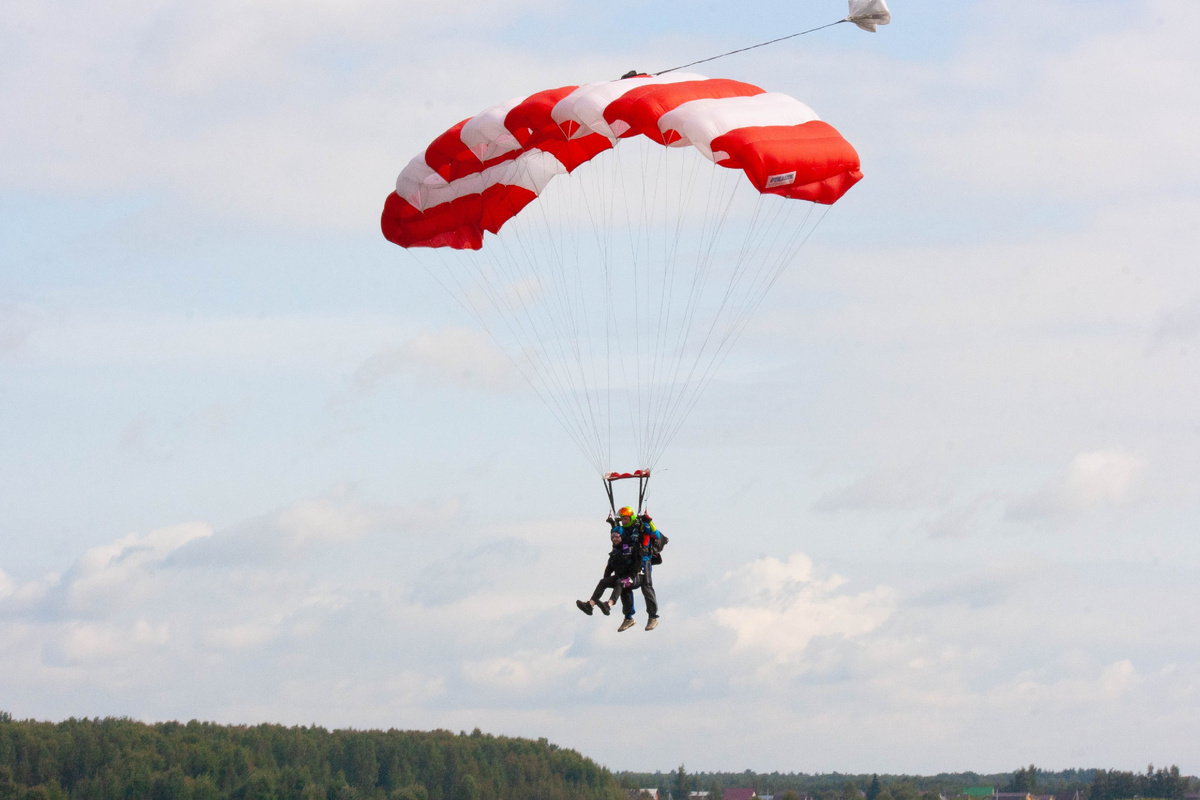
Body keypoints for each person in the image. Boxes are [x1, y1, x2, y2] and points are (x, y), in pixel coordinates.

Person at [614, 506, 663, 632]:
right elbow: (617, 540)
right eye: (622, 519)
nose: (624, 521)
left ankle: (652, 617)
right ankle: (628, 617)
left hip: (644, 561)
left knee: (646, 586)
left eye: (626, 519)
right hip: (630, 563)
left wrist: (649, 522)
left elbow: (656, 535)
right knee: (625, 586)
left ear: (631, 518)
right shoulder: (623, 530)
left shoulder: (641, 526)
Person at [575, 527, 637, 616]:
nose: (614, 539)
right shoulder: (616, 550)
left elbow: (637, 563)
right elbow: (610, 566)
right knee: (603, 582)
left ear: (622, 536)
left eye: (616, 536)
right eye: (612, 537)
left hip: (632, 578)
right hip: (620, 575)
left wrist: (631, 575)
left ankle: (609, 604)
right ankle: (590, 605)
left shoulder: (630, 547)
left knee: (620, 582)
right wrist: (606, 580)